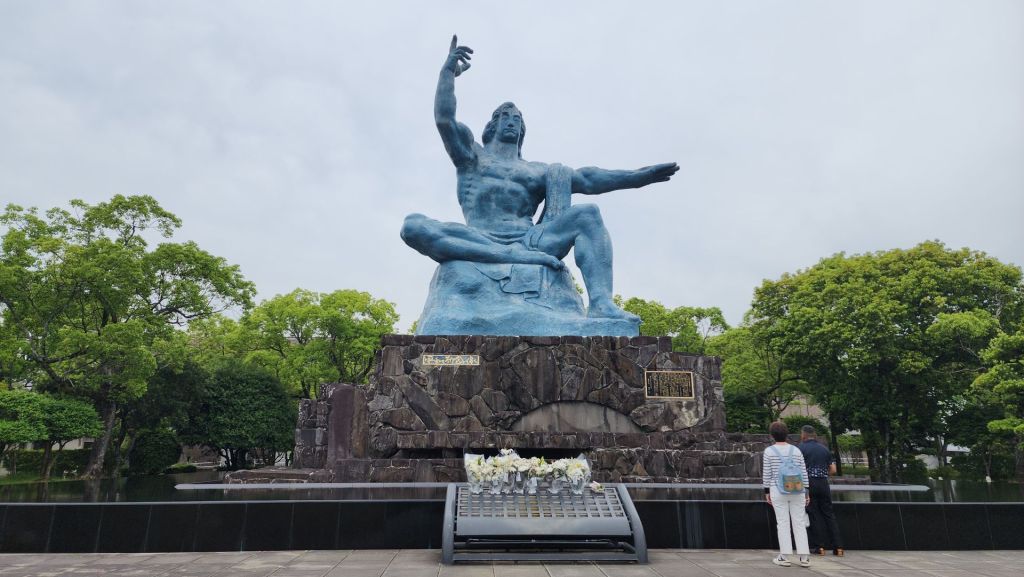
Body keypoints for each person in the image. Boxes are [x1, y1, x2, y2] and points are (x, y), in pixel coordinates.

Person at [400, 36, 679, 321]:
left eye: (518, 118)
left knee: (588, 214)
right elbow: (445, 120)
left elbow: (589, 179)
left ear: (523, 130)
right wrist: (447, 73)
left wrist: (639, 177)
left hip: (529, 241)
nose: (512, 120)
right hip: (478, 236)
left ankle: (601, 303)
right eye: (505, 116)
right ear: (492, 125)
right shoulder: (472, 156)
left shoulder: (537, 171)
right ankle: (508, 258)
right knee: (412, 226)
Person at [763, 421, 811, 567]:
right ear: (787, 434)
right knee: (799, 522)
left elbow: (767, 473)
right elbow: (803, 472)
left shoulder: (769, 451)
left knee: (783, 522)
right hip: (797, 489)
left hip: (777, 489)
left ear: (772, 435)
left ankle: (785, 556)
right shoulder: (796, 450)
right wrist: (806, 492)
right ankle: (804, 557)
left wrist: (766, 491)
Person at [798, 425, 845, 557]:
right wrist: (823, 474)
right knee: (828, 514)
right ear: (815, 435)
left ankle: (819, 547)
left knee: (813, 514)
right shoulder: (824, 449)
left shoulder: (800, 448)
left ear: (803, 435)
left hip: (808, 484)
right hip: (823, 483)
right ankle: (838, 547)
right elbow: (833, 470)